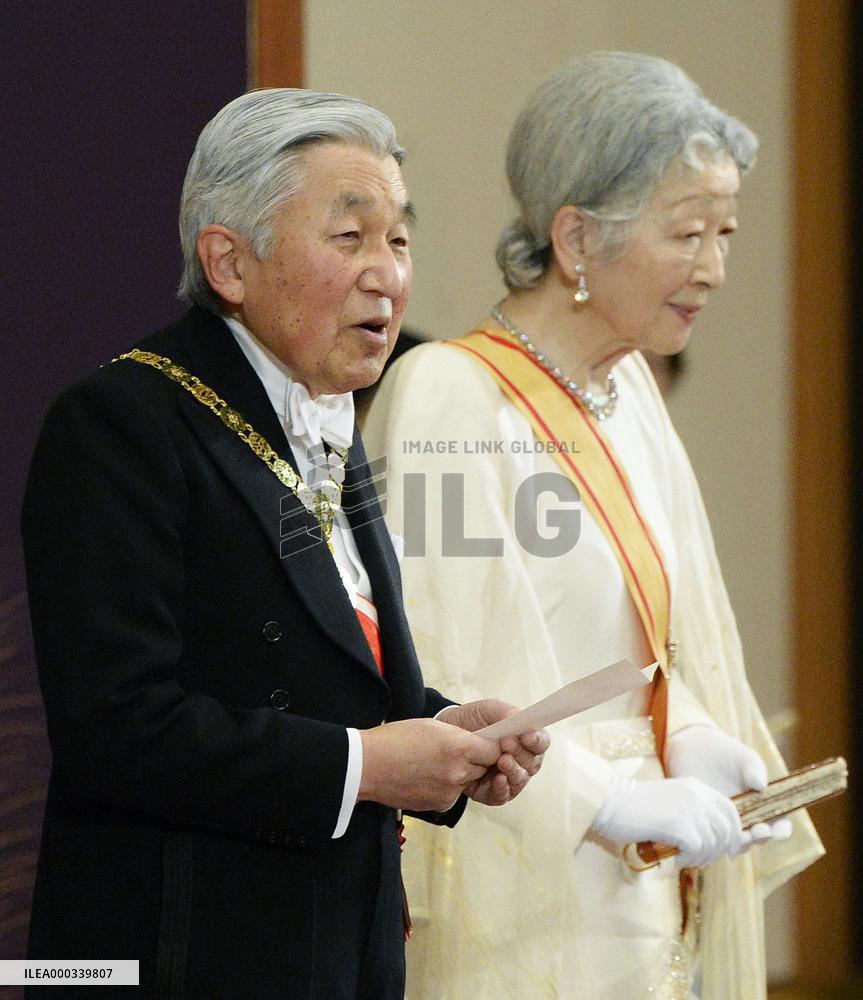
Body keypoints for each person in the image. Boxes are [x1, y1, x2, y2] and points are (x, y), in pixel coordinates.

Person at [20, 89, 549, 1000]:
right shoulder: (120, 424)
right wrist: (366, 766)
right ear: (229, 262)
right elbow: (115, 730)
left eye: (399, 239)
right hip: (179, 956)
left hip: (340, 951)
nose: (387, 275)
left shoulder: (323, 419)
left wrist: (439, 727)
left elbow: (306, 667)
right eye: (350, 237)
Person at [362, 52, 823, 999]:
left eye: (725, 233)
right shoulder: (451, 395)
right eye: (686, 233)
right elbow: (439, 670)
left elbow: (645, 640)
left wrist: (689, 732)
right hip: (523, 885)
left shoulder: (628, 394)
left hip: (646, 885)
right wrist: (607, 797)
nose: (714, 269)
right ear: (575, 238)